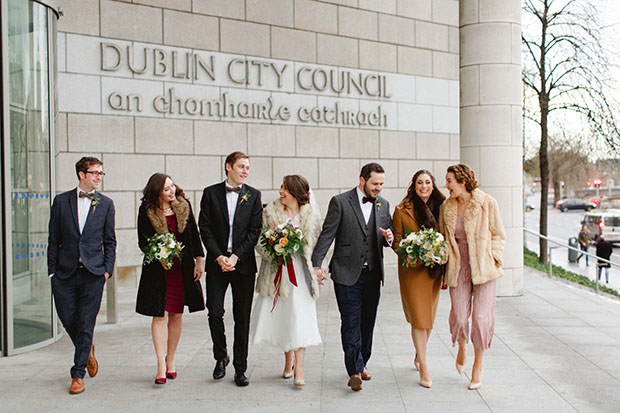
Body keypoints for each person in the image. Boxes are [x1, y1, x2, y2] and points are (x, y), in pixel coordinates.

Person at [311, 163, 394, 391]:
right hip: (346, 273)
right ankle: (354, 370)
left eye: (381, 184)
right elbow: (327, 235)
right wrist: (316, 264)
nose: (378, 188)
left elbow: (389, 236)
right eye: (375, 184)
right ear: (362, 180)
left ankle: (362, 361)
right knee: (350, 322)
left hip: (372, 274)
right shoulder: (340, 202)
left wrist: (390, 237)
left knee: (367, 322)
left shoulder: (383, 205)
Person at [47, 156, 116, 395]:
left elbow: (109, 241)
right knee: (68, 319)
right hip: (64, 273)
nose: (99, 177)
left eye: (101, 173)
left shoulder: (106, 204)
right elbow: (53, 239)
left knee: (86, 323)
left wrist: (107, 269)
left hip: (94, 273)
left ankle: (77, 374)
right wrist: (52, 271)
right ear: (81, 174)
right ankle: (87, 350)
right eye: (95, 172)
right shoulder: (61, 201)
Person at [251, 175, 325, 387]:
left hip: (301, 273)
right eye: (281, 188)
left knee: (299, 316)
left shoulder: (311, 215)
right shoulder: (270, 212)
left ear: (296, 192)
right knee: (285, 316)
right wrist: (275, 250)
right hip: (277, 271)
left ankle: (299, 369)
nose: (280, 192)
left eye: (285, 189)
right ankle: (288, 360)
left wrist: (318, 270)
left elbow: (319, 245)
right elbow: (260, 240)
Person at [199, 151, 262, 387]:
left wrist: (236, 256)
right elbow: (204, 227)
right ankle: (220, 356)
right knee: (214, 311)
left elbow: (254, 231)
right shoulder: (210, 193)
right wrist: (218, 256)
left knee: (242, 318)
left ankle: (240, 368)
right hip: (217, 265)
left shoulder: (254, 195)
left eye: (248, 167)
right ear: (228, 167)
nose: (246, 171)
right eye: (241, 166)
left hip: (243, 265)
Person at [439, 164, 505, 390]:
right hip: (458, 266)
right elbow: (442, 238)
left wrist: (495, 257)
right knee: (459, 316)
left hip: (484, 266)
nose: (446, 186)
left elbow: (498, 233)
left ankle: (478, 365)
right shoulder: (446, 206)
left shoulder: (487, 202)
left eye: (449, 181)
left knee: (480, 318)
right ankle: (462, 346)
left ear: (461, 182)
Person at [135, 173, 205, 384]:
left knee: (176, 314)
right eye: (166, 189)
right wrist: (159, 252)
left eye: (173, 186)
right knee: (159, 315)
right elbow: (142, 241)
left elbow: (194, 233)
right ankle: (160, 364)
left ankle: (171, 359)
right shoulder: (146, 210)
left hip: (181, 270)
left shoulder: (183, 206)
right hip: (158, 270)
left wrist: (199, 260)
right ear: (157, 191)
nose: (172, 191)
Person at [392, 170, 446, 388]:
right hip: (412, 270)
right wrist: (411, 251)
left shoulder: (443, 207)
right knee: (418, 318)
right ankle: (424, 366)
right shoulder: (401, 210)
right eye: (419, 182)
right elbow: (396, 242)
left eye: (427, 182)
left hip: (433, 270)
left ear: (433, 185)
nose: (424, 186)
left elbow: (448, 238)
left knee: (429, 319)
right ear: (413, 185)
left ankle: (418, 354)